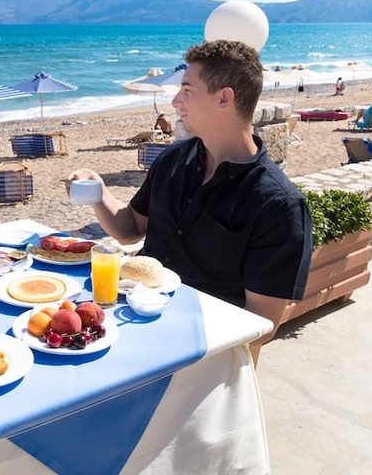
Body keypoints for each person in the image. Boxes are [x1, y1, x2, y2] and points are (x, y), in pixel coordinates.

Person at [66, 39, 312, 364]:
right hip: (132, 328)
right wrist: (99, 194)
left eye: (187, 90)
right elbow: (129, 229)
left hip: (205, 360)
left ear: (224, 98)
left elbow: (261, 324)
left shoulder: (279, 206)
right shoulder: (173, 160)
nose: (175, 100)